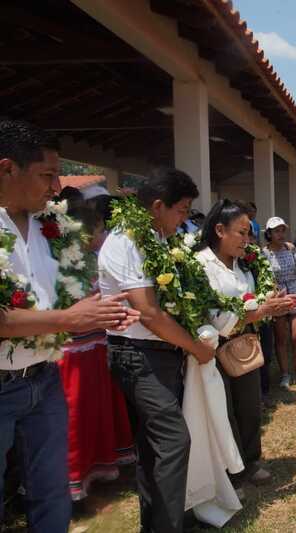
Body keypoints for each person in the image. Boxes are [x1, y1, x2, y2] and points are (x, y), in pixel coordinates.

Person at [0, 119, 138, 533]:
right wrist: (69, 319)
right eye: (47, 175)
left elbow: (62, 298)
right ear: (7, 168)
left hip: (44, 378)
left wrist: (101, 311)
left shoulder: (50, 229)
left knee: (51, 490)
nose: (57, 187)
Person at [99, 167, 215, 533]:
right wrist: (195, 347)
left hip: (159, 353)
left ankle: (157, 524)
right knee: (174, 440)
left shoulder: (156, 238)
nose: (184, 219)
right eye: (182, 211)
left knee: (153, 448)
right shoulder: (127, 239)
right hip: (137, 353)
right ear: (158, 206)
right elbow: (148, 312)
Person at [195, 201, 296, 494]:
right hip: (214, 349)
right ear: (219, 230)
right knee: (224, 412)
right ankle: (231, 473)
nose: (247, 239)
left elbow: (253, 304)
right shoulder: (201, 265)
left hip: (246, 345)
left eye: (249, 233)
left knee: (249, 407)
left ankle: (251, 461)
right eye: (241, 233)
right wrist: (262, 310)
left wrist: (273, 306)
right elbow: (215, 317)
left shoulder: (244, 264)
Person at [58, 205, 135, 501]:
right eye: (101, 230)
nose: (104, 235)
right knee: (77, 415)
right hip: (74, 354)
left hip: (96, 346)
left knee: (98, 410)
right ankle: (73, 478)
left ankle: (100, 464)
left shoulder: (94, 260)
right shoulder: (66, 264)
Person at [263, 216, 296, 389]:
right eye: (277, 231)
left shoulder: (290, 248)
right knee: (281, 338)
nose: (281, 234)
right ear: (269, 233)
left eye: (283, 230)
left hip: (295, 292)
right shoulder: (264, 253)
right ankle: (285, 374)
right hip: (279, 296)